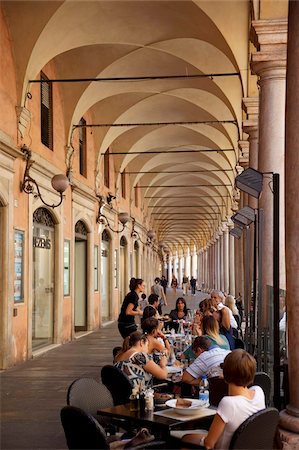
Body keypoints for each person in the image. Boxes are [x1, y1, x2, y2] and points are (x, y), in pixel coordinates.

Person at [181, 349, 266, 450]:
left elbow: (209, 444)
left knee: (185, 439)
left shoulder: (228, 403)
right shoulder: (259, 392)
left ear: (224, 374)